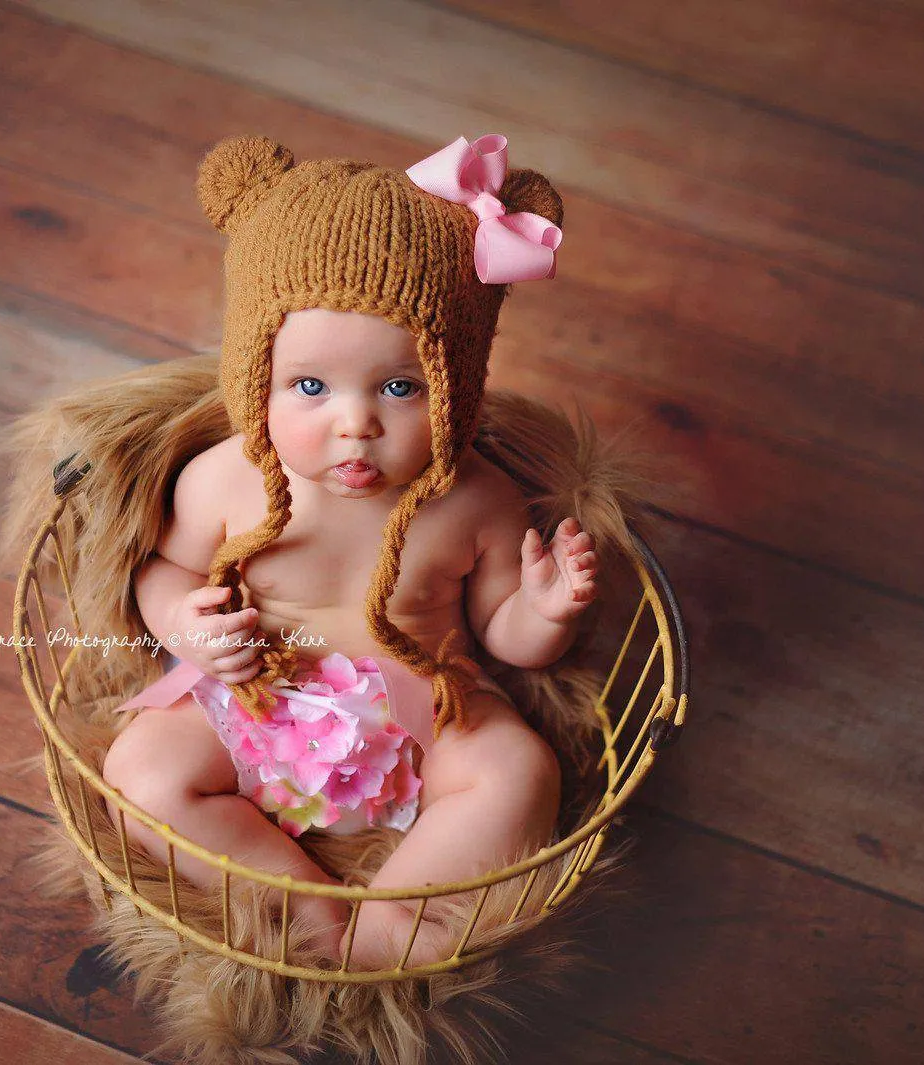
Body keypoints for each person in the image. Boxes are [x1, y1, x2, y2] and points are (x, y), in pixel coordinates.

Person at [98, 133, 598, 969]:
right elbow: (167, 569)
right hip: (257, 691)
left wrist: (544, 610)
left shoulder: (477, 499)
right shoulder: (224, 481)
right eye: (310, 386)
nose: (355, 421)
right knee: (140, 770)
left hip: (427, 717)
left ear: (460, 382)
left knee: (518, 768)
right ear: (252, 376)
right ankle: (295, 909)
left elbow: (504, 636)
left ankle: (389, 936)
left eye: (401, 387)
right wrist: (183, 623)